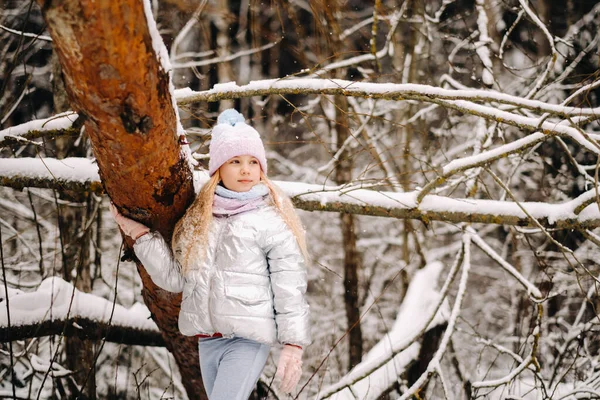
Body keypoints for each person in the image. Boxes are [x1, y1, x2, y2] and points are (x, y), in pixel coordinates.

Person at [110, 109, 311, 400]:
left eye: (253, 162)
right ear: (218, 168)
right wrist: (140, 237)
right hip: (208, 341)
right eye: (236, 161)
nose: (246, 169)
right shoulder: (198, 219)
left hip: (248, 339)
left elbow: (289, 285)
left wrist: (293, 344)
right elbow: (176, 278)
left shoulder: (271, 221)